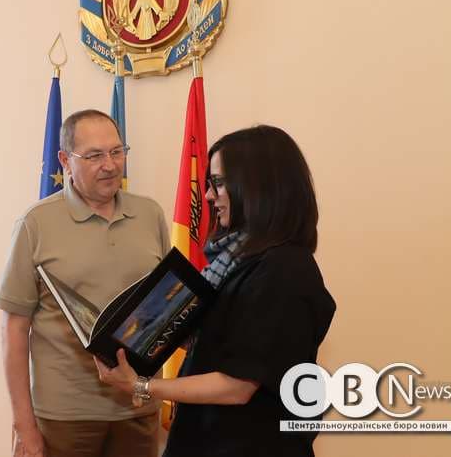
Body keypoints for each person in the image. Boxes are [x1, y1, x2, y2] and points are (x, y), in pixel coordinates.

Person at [95, 125, 336, 457]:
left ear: (256, 187)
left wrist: (141, 385)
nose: (208, 196)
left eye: (219, 183)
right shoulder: (236, 260)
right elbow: (217, 342)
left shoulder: (284, 270)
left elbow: (238, 385)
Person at [0, 110, 170, 457]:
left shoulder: (150, 214)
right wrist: (24, 425)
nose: (110, 165)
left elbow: (168, 304)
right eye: (94, 156)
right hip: (64, 417)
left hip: (139, 407)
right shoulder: (35, 224)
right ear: (65, 161)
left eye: (117, 152)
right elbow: (14, 329)